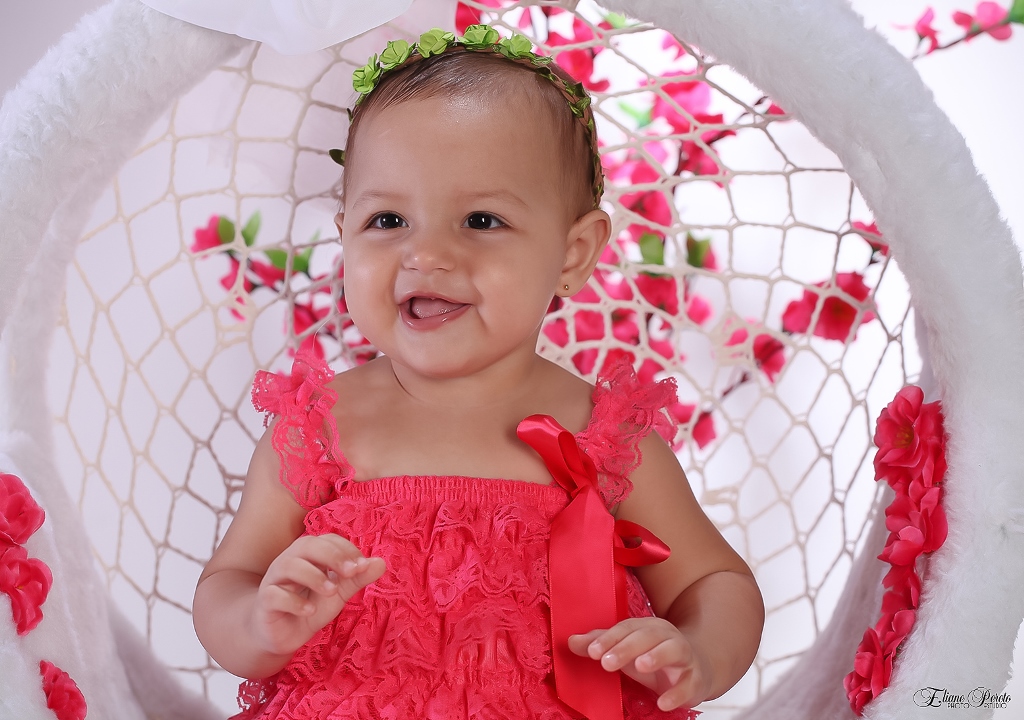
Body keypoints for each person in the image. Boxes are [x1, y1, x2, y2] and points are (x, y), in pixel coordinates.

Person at [192, 24, 764, 720]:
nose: (427, 254)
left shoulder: (603, 437)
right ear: (344, 235)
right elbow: (229, 580)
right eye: (388, 220)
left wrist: (698, 651)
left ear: (574, 253)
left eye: (481, 220)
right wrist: (259, 623)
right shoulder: (321, 428)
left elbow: (714, 580)